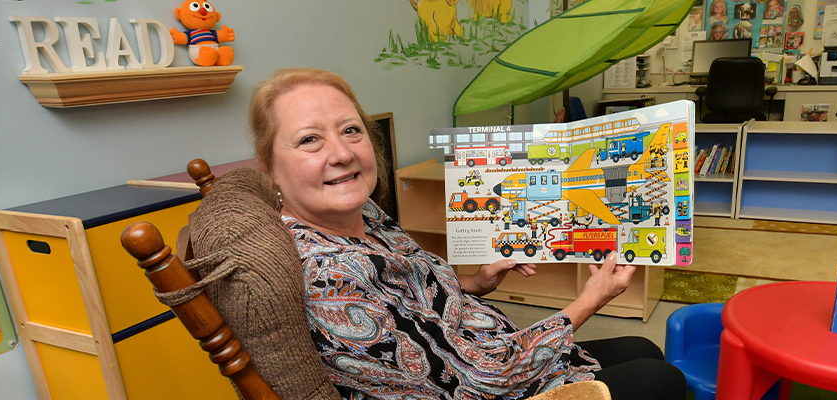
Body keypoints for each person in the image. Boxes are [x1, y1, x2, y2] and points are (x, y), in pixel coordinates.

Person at [248, 68, 686, 400]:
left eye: (351, 130)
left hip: (493, 354)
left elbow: (416, 306)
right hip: (484, 386)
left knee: (643, 345)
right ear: (270, 168)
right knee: (659, 378)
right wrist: (593, 298)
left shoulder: (367, 215)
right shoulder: (326, 276)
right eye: (309, 140)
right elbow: (475, 380)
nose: (342, 153)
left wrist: (476, 283)